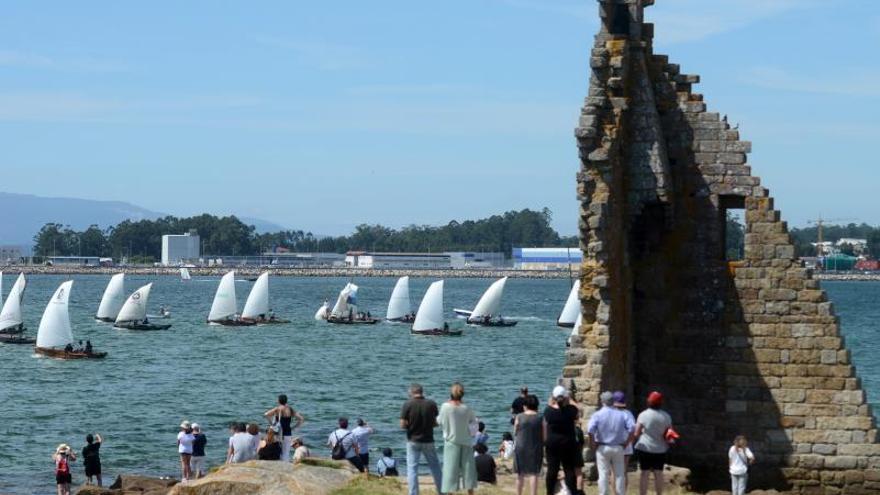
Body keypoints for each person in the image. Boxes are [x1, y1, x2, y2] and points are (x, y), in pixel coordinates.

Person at [587, 391, 635, 495]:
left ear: (602, 401)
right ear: (612, 401)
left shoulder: (597, 414)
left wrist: (592, 444)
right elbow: (632, 428)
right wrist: (627, 442)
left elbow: (590, 430)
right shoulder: (622, 414)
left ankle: (604, 493)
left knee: (603, 474)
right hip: (618, 447)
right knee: (620, 474)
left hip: (602, 447)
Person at [400, 383, 443, 495]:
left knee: (412, 469)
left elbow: (402, 425)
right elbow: (436, 422)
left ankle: (413, 493)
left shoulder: (407, 404)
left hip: (413, 440)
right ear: (422, 392)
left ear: (412, 392)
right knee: (435, 467)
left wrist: (410, 425)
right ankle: (442, 492)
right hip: (428, 439)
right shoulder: (431, 404)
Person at [438, 382, 478, 495]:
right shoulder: (467, 408)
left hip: (451, 442)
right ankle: (471, 493)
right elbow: (474, 426)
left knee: (450, 472)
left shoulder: (445, 407)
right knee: (469, 472)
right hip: (466, 442)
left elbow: (440, 421)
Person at [633, 391, 673, 495]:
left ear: (649, 401)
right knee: (659, 473)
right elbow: (670, 433)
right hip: (660, 448)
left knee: (644, 473)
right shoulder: (666, 416)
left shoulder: (643, 415)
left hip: (645, 448)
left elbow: (636, 433)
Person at [543, 386, 579, 495]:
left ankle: (550, 492)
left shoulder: (548, 411)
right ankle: (572, 491)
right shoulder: (571, 410)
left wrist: (552, 400)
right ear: (565, 397)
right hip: (568, 443)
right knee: (569, 469)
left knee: (552, 470)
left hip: (552, 443)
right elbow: (578, 412)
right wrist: (570, 399)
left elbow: (550, 409)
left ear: (553, 397)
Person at [514, 394, 543, 495]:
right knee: (533, 473)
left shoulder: (519, 416)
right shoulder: (541, 417)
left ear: (525, 405)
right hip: (535, 447)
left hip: (520, 446)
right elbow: (545, 435)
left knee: (519, 473)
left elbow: (515, 432)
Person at [264, 394, 305, 462]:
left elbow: (266, 414)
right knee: (286, 453)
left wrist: (272, 423)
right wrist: (294, 427)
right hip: (287, 433)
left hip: (278, 433)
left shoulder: (277, 409)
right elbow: (301, 419)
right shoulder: (290, 409)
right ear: (286, 401)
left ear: (279, 401)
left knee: (278, 451)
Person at [613, 391, 636, 492]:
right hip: (626, 445)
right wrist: (629, 442)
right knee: (623, 472)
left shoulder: (610, 413)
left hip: (613, 445)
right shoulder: (628, 414)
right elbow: (633, 430)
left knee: (614, 473)